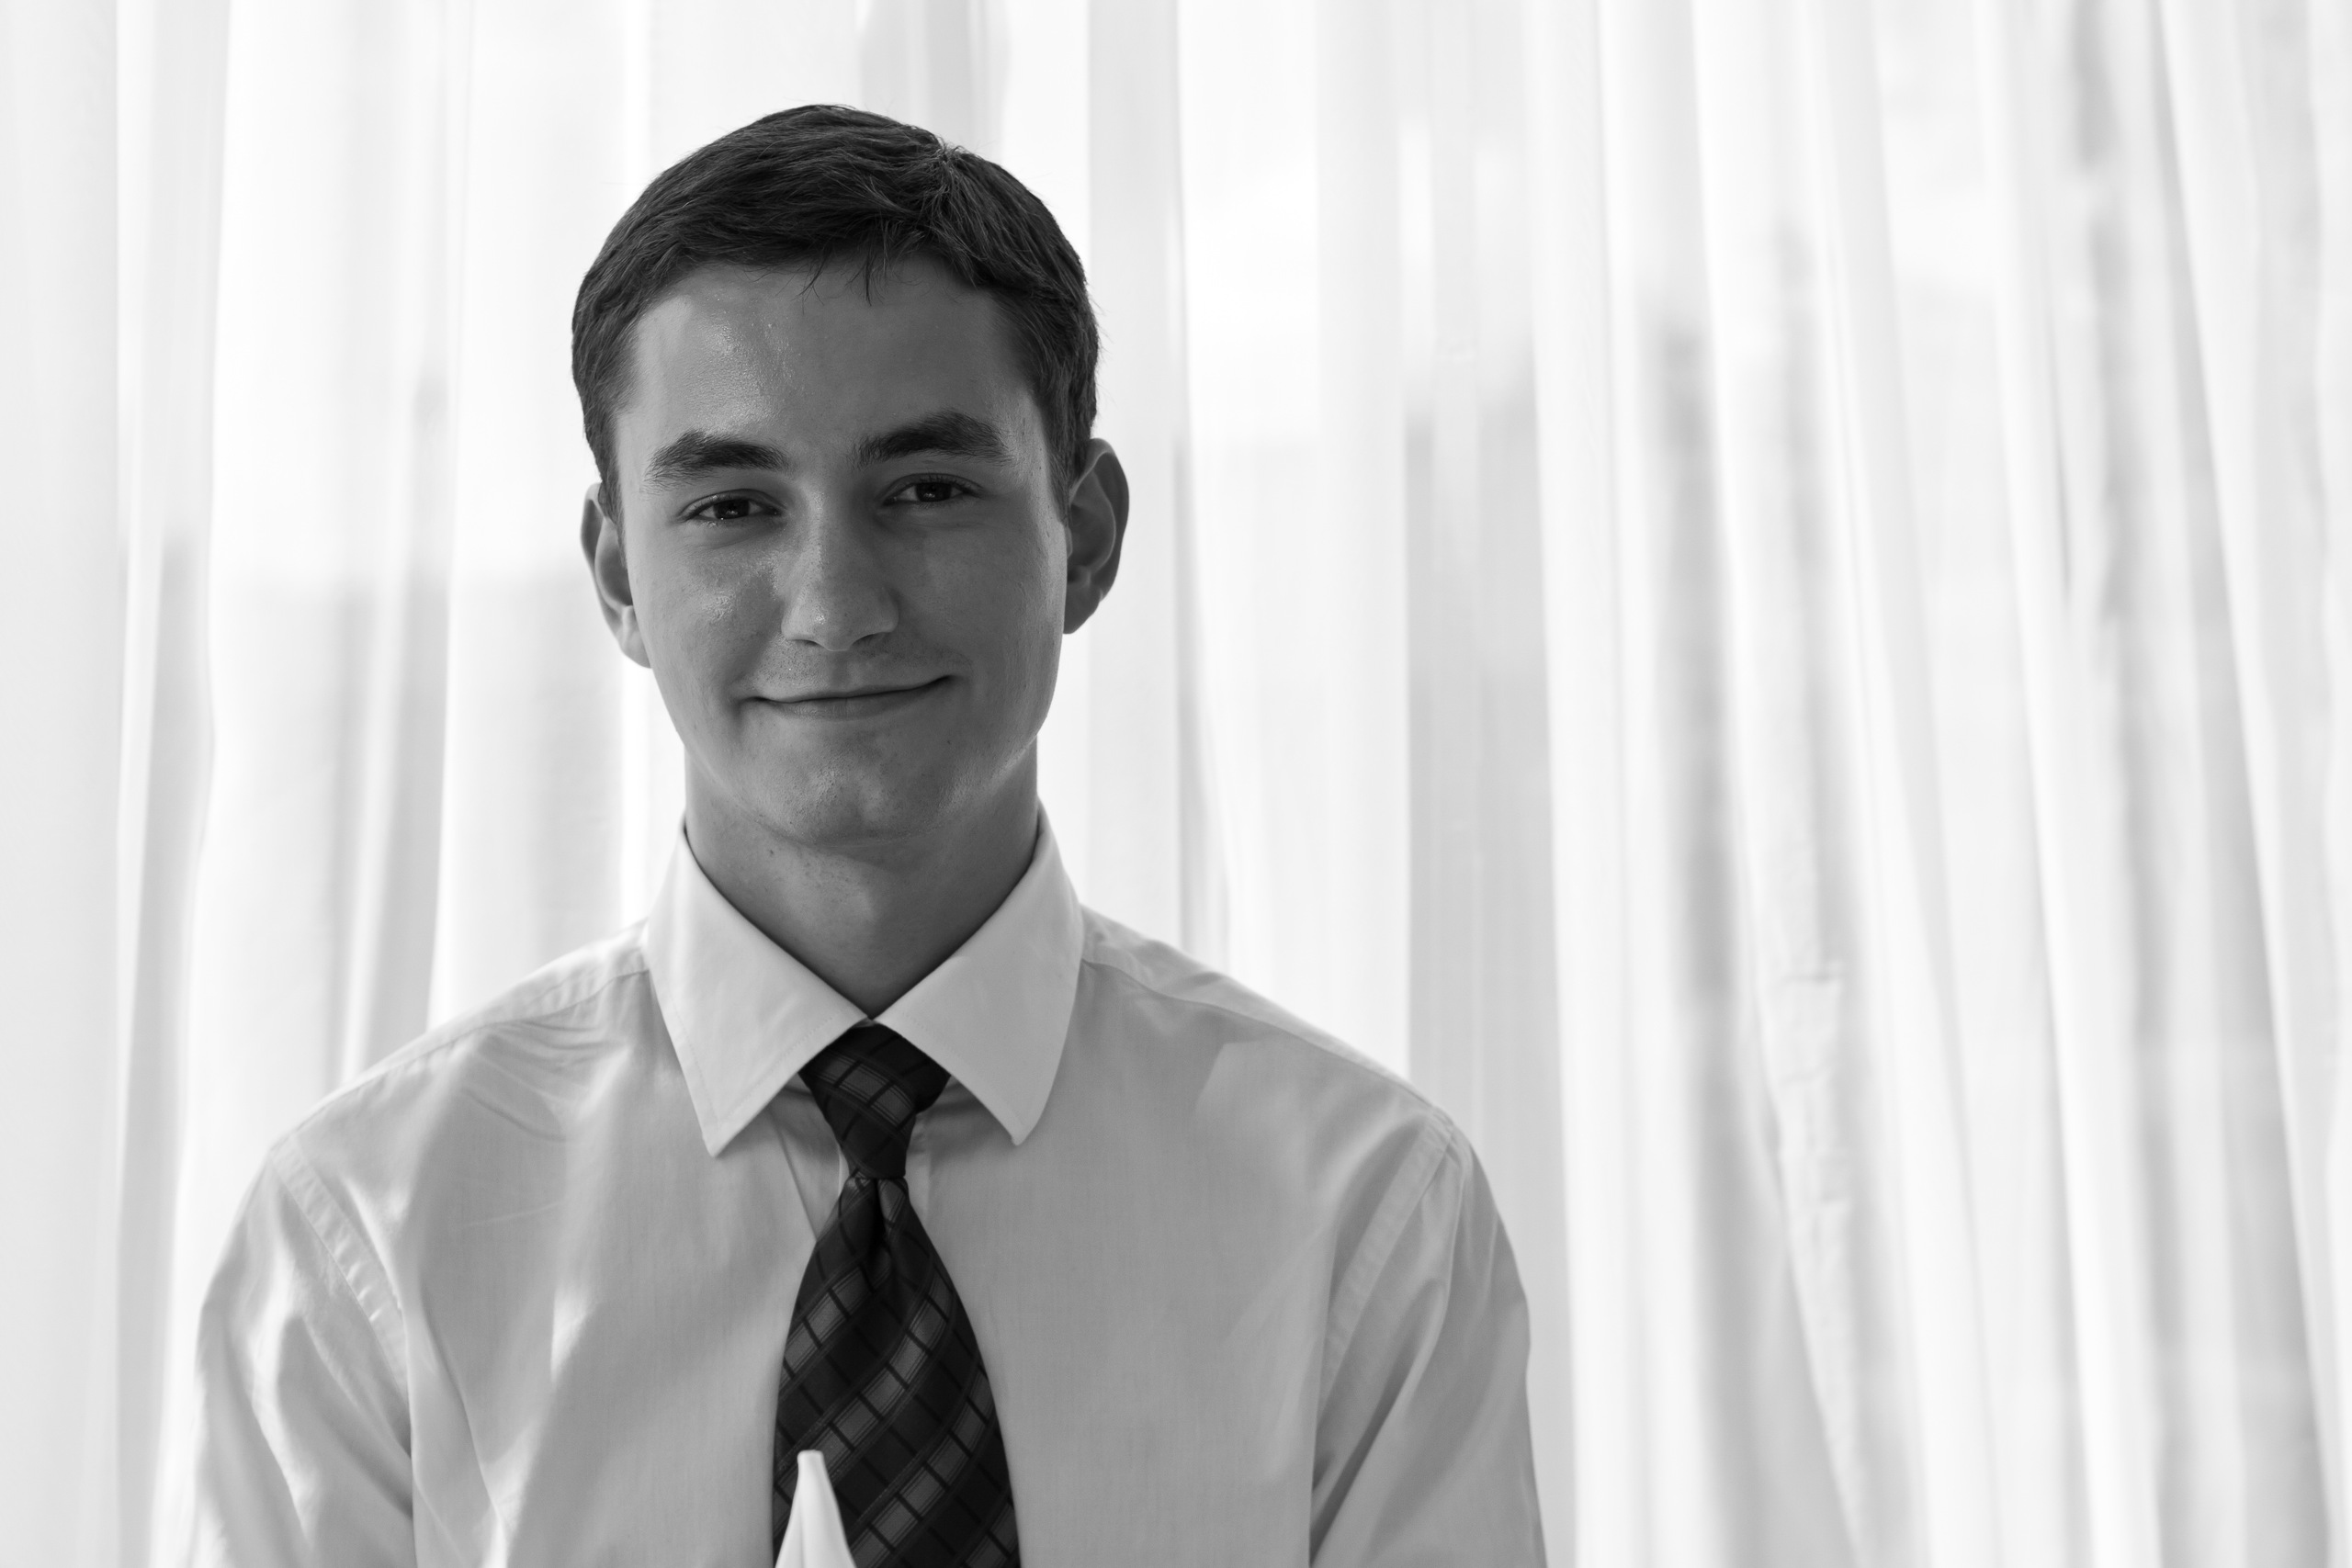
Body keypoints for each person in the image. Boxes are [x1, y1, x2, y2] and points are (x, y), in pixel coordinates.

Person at [189, 105, 1545, 1567]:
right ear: (619, 576)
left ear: (1086, 537)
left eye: (927, 490)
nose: (837, 605)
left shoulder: (1367, 1223)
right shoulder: (366, 1238)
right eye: (732, 505)